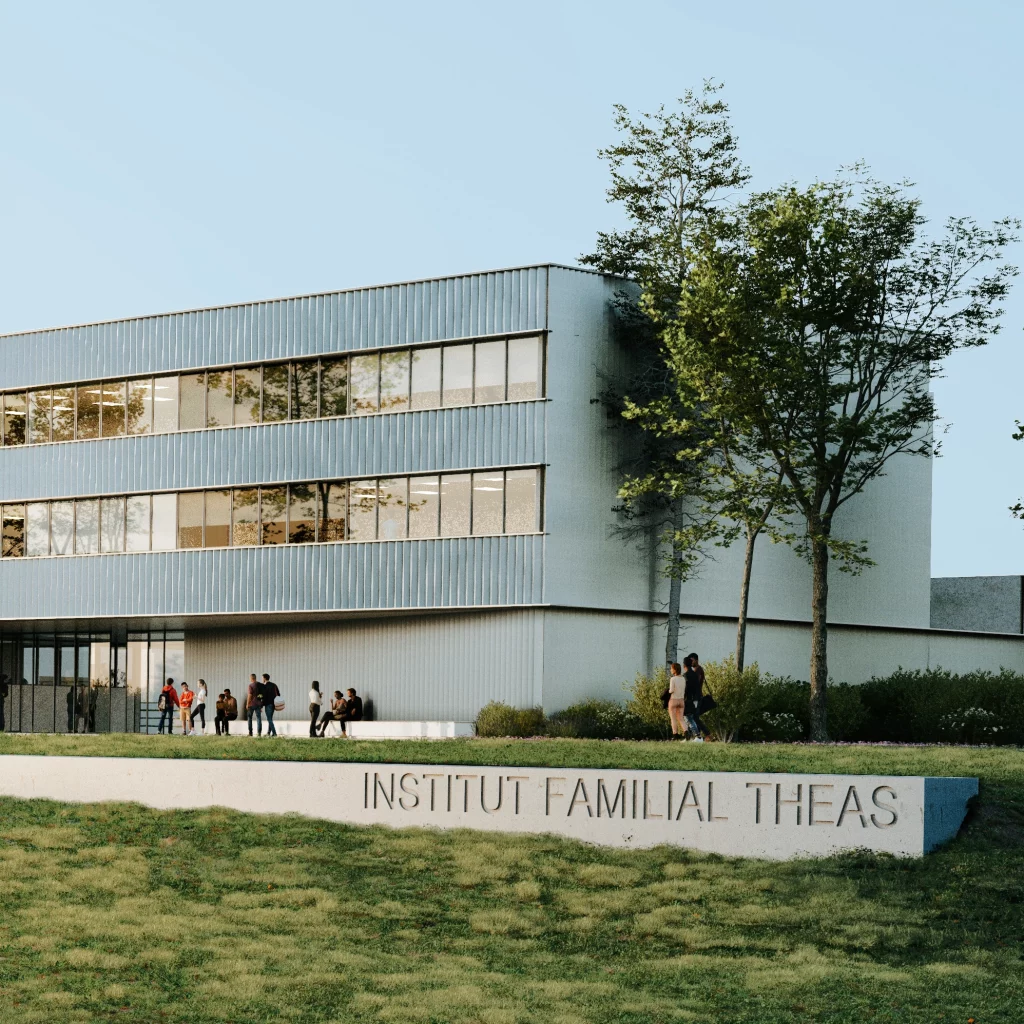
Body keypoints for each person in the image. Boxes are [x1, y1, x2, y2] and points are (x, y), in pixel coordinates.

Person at [683, 656, 708, 742]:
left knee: (691, 717)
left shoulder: (690, 674)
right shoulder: (694, 672)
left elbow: (688, 688)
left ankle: (699, 737)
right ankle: (692, 737)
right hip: (695, 697)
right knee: (692, 717)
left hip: (692, 699)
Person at [666, 662, 687, 739]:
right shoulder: (683, 678)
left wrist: (667, 691)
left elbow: (671, 690)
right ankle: (686, 731)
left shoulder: (673, 679)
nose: (671, 670)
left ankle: (675, 734)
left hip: (673, 700)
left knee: (673, 718)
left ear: (675, 670)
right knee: (681, 718)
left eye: (671, 668)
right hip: (681, 700)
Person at [261, 673, 280, 738]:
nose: (262, 679)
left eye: (262, 678)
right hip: (273, 704)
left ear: (264, 678)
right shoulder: (274, 685)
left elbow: (263, 696)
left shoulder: (264, 686)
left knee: (269, 719)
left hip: (268, 704)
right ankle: (268, 732)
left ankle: (274, 733)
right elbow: (278, 694)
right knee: (270, 719)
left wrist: (261, 705)